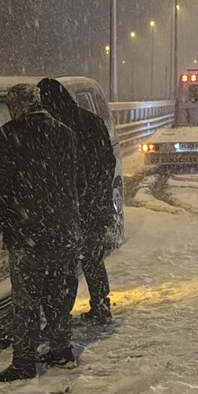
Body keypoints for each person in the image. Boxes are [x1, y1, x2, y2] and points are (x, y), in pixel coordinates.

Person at [0, 84, 82, 382]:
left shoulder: (9, 134)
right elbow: (79, 183)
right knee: (59, 293)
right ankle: (61, 349)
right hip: (63, 231)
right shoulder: (64, 133)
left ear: (16, 107)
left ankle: (24, 362)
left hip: (27, 232)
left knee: (27, 300)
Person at [38, 77, 117, 324]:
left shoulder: (55, 128)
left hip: (71, 205)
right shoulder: (92, 121)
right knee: (93, 259)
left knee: (66, 263)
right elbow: (108, 162)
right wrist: (99, 193)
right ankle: (101, 305)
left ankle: (61, 314)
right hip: (95, 203)